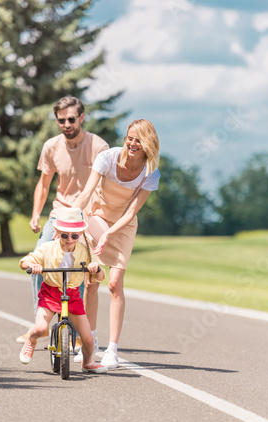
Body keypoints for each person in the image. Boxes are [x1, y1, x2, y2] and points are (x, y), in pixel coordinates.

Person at [16, 96, 109, 344]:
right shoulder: (51, 147)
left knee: (79, 267)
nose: (66, 124)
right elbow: (43, 184)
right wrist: (36, 213)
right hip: (58, 214)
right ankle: (40, 322)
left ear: (81, 117)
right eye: (61, 120)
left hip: (87, 217)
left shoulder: (99, 146)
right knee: (39, 260)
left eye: (71, 119)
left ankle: (77, 333)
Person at [73, 119, 160, 369]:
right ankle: (89, 343)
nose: (132, 143)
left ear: (148, 144)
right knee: (91, 282)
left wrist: (110, 233)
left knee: (114, 284)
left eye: (138, 140)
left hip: (122, 227)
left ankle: (112, 349)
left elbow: (132, 212)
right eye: (129, 137)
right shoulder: (108, 158)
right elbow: (87, 192)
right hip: (96, 217)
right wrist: (68, 216)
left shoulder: (150, 172)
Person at [19, 207, 107, 374]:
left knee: (88, 340)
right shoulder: (48, 248)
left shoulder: (84, 250)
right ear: (57, 231)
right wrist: (33, 265)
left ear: (80, 234)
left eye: (74, 236)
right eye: (64, 235)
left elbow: (101, 275)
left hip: (72, 296)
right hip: (50, 293)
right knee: (40, 329)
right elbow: (25, 261)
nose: (69, 239)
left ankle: (87, 362)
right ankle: (31, 339)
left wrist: (95, 268)